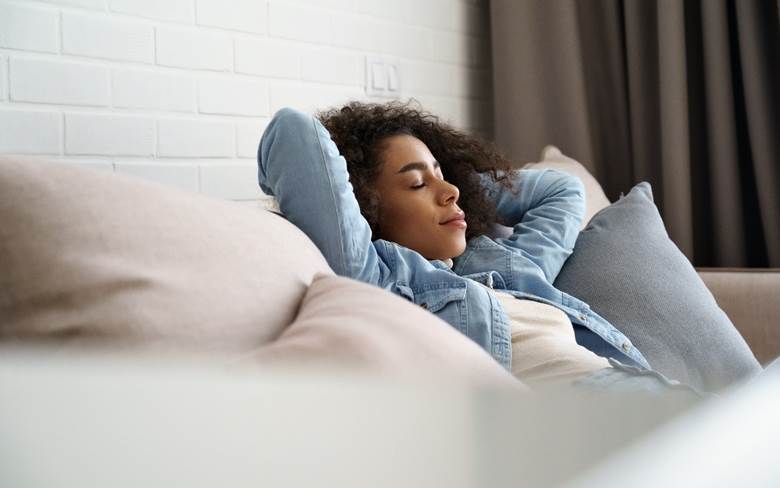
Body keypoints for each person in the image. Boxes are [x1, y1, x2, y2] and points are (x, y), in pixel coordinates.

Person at [257, 101, 700, 396]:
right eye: (416, 183)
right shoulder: (383, 276)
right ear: (366, 208)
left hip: (648, 391)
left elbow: (561, 191)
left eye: (441, 174)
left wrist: (461, 185)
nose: (447, 190)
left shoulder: (505, 267)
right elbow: (293, 132)